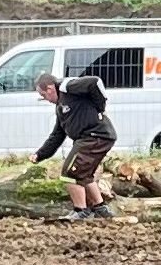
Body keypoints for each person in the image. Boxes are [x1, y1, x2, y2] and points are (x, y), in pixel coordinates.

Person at [33, 71, 116, 218]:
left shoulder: (68, 87)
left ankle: (80, 211)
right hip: (92, 138)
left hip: (94, 135)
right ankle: (100, 208)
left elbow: (95, 81)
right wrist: (39, 154)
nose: (45, 99)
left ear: (50, 89)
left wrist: (99, 107)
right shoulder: (60, 107)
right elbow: (57, 135)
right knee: (84, 174)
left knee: (69, 173)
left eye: (44, 95)